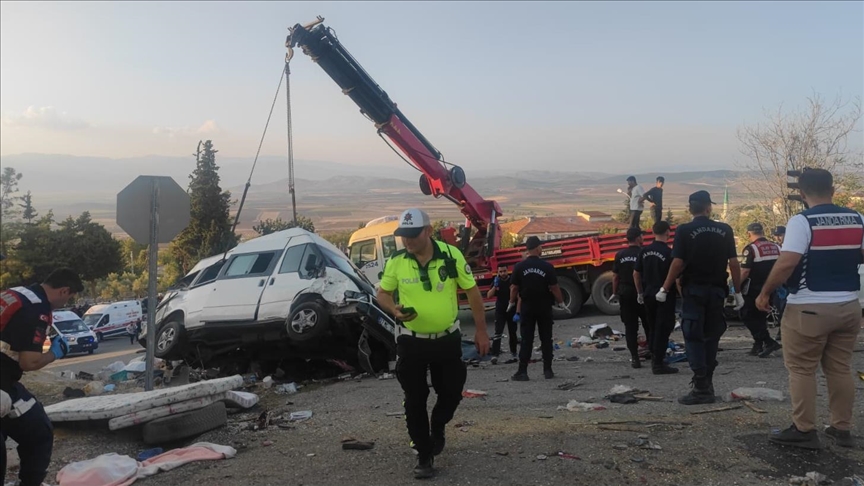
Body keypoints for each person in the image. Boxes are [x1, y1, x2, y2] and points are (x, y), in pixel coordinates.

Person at [377, 208, 490, 479]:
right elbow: (382, 294)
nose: (408, 241)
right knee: (415, 398)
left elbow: (472, 292)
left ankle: (437, 426)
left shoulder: (451, 256)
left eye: (413, 235)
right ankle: (424, 455)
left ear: (428, 231)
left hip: (447, 340)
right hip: (411, 341)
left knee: (451, 391)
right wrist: (394, 309)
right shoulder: (397, 261)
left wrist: (481, 331)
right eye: (403, 236)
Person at [756, 168, 863, 450]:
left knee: (802, 369)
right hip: (849, 305)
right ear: (833, 189)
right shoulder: (857, 219)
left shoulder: (802, 221)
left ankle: (804, 430)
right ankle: (841, 428)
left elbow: (788, 262)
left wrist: (765, 292)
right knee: (840, 368)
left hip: (808, 306)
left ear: (802, 194)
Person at [657, 190, 744, 405]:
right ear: (708, 208)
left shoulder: (685, 230)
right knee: (712, 336)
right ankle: (708, 383)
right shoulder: (724, 230)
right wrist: (739, 292)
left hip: (694, 291)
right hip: (716, 292)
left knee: (693, 337)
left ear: (690, 208)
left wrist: (665, 288)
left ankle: (701, 388)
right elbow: (734, 263)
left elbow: (677, 263)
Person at [1, 268, 84, 486]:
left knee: (35, 427)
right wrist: (55, 353)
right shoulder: (37, 310)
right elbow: (29, 362)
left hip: (6, 381)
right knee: (39, 433)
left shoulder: (17, 293)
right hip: (1, 384)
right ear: (64, 291)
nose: (66, 303)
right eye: (70, 298)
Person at [508, 236, 567, 381]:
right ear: (537, 248)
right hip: (544, 307)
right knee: (546, 338)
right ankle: (548, 370)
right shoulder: (547, 266)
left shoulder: (519, 267)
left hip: (527, 307)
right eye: (541, 247)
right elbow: (554, 287)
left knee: (527, 339)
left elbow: (514, 287)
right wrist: (561, 302)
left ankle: (522, 371)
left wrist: (511, 302)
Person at [634, 221, 678, 374]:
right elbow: (676, 276)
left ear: (652, 232)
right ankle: (658, 364)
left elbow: (636, 273)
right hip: (664, 295)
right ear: (668, 232)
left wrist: (640, 292)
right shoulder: (669, 253)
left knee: (652, 327)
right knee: (663, 327)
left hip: (648, 294)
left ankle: (655, 357)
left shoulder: (644, 251)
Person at [740, 222, 782, 358]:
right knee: (760, 316)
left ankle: (768, 341)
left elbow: (745, 271)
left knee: (746, 314)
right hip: (772, 287)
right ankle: (758, 345)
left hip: (753, 288)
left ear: (749, 233)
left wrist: (735, 286)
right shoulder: (776, 247)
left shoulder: (751, 249)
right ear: (763, 232)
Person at [613, 227, 650, 368]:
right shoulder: (644, 253)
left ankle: (635, 358)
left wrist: (615, 292)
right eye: (642, 235)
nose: (643, 238)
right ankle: (653, 353)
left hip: (626, 293)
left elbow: (615, 276)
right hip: (642, 293)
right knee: (649, 324)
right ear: (638, 238)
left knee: (630, 327)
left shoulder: (620, 254)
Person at [487, 264, 520, 364]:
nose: (503, 273)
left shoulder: (512, 281)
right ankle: (495, 355)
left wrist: (518, 312)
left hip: (511, 310)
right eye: (500, 272)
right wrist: (495, 287)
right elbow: (489, 295)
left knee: (512, 333)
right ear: (498, 272)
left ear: (507, 271)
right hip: (500, 311)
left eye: (504, 271)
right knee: (498, 333)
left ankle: (514, 353)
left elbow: (518, 297)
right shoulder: (496, 281)